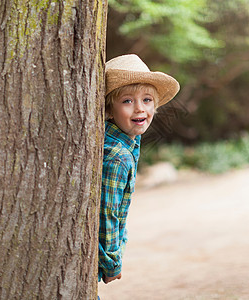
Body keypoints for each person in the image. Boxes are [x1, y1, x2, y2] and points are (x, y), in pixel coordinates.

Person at [98, 54, 180, 287]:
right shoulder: (118, 156)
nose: (139, 109)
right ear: (109, 110)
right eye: (127, 101)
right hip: (99, 257)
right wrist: (112, 263)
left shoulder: (126, 142)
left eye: (147, 100)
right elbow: (107, 214)